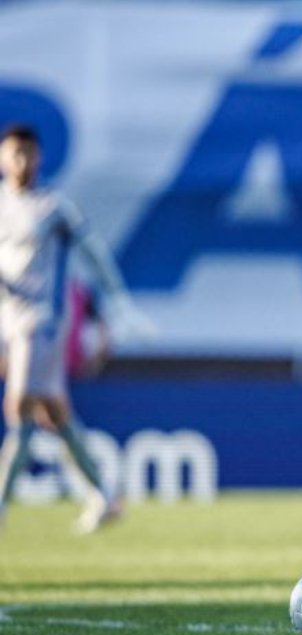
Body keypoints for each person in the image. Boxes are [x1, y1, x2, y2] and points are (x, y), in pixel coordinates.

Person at [0, 124, 152, 534]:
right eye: (14, 153)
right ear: (2, 157)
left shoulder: (53, 207)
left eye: (28, 154)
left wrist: (119, 300)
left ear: (40, 157)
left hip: (43, 323)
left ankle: (0, 505)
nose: (22, 162)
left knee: (19, 409)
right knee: (54, 414)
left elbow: (95, 253)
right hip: (10, 323)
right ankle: (104, 496)